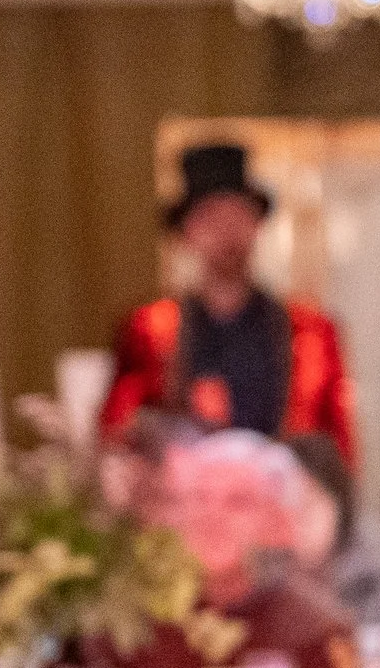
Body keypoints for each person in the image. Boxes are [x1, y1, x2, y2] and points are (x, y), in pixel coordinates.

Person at [99, 144, 357, 465]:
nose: (226, 231)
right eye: (210, 217)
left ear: (257, 224)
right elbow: (117, 436)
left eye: (237, 214)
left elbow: (338, 455)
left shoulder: (312, 333)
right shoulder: (149, 331)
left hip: (283, 492)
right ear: (186, 232)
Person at [111, 430, 354, 668]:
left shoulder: (312, 629)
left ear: (274, 519)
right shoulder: (131, 624)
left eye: (238, 502)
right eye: (200, 498)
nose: (213, 516)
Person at [282, 432, 380, 626]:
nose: (295, 520)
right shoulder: (255, 573)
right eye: (283, 507)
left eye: (307, 504)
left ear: (339, 503)